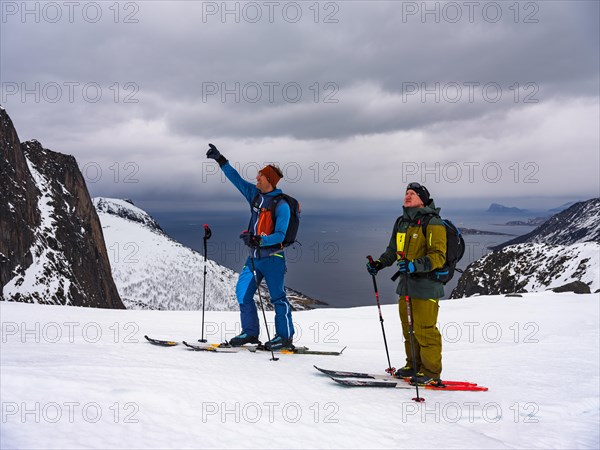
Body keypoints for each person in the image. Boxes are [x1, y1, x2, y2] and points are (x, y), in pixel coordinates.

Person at [206, 143, 295, 350]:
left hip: (274, 258)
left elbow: (281, 235)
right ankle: (250, 333)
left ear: (269, 181)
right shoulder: (254, 195)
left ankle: (284, 337)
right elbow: (236, 179)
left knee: (278, 298)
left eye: (260, 177)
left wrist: (258, 240)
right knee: (242, 293)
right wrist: (221, 160)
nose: (256, 179)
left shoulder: (281, 205)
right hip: (254, 258)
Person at [366, 182, 446, 386]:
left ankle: (431, 372)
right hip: (406, 286)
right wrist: (379, 264)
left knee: (425, 330)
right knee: (408, 329)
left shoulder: (433, 222)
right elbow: (392, 251)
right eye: (406, 193)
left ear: (422, 199)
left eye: (412, 193)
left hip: (427, 285)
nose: (407, 196)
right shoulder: (401, 222)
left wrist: (414, 266)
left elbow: (438, 257)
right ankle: (413, 365)